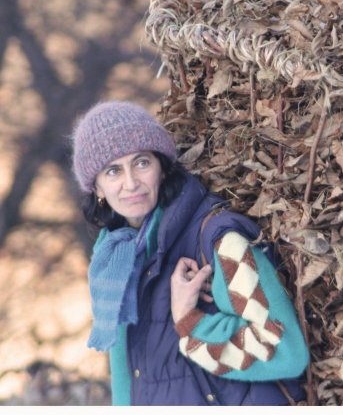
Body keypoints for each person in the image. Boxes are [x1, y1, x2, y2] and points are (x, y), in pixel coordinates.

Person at [71, 100, 309, 406]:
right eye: (113, 170)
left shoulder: (218, 239)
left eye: (141, 162)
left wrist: (189, 321)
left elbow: (285, 351)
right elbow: (125, 383)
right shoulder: (114, 264)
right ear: (98, 189)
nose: (131, 183)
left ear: (161, 167)